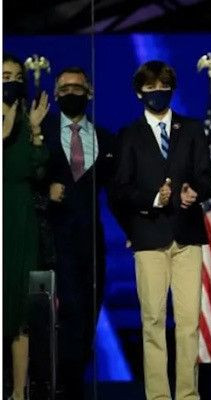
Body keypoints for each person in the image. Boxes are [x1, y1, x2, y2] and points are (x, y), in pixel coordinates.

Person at [111, 60, 211, 400]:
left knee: (188, 324)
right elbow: (120, 189)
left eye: (164, 87)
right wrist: (154, 197)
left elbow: (206, 177)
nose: (159, 93)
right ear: (140, 92)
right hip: (149, 238)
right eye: (152, 88)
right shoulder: (129, 135)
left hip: (187, 237)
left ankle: (187, 395)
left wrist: (192, 192)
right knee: (153, 321)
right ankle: (157, 396)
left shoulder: (193, 129)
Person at [39, 66, 116, 399]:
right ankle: (64, 384)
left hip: (91, 240)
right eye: (65, 89)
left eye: (77, 87)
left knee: (88, 310)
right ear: (56, 95)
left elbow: (120, 190)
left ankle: (75, 376)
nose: (71, 93)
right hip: (54, 237)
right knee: (66, 310)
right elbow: (22, 178)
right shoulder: (40, 131)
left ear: (90, 92)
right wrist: (46, 193)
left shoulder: (105, 137)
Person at [3, 53, 50, 400]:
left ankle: (19, 392)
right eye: (5, 75)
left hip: (21, 217)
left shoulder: (26, 121)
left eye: (17, 76)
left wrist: (34, 130)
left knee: (20, 312)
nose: (12, 81)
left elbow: (35, 171)